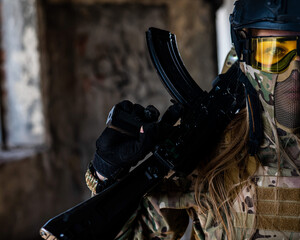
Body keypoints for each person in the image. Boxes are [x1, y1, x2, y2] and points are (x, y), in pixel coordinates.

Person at [85, 0, 300, 239]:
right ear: (245, 55)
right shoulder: (210, 150)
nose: (295, 70)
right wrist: (105, 174)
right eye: (273, 52)